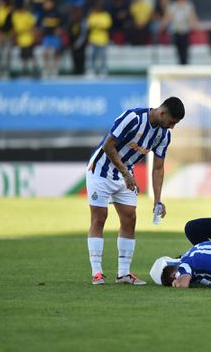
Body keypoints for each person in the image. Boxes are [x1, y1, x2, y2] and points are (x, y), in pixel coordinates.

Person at [86, 97, 185, 285]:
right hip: (100, 171)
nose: (172, 127)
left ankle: (123, 274)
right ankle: (97, 272)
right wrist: (126, 173)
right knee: (99, 218)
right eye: (172, 122)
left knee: (130, 219)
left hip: (125, 174)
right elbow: (108, 145)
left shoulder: (164, 135)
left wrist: (158, 200)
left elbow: (158, 168)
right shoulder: (132, 118)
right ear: (162, 113)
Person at [160, 0, 199, 65]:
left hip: (185, 31)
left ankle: (185, 64)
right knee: (178, 50)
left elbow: (192, 17)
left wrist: (196, 25)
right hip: (176, 32)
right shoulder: (172, 6)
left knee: (185, 50)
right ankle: (179, 64)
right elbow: (167, 18)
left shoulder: (188, 5)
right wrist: (162, 26)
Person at [87, 0, 111, 76]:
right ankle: (91, 70)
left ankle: (103, 70)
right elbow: (90, 25)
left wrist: (97, 26)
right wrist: (99, 25)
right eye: (96, 6)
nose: (98, 8)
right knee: (92, 57)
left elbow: (106, 25)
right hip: (93, 39)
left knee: (103, 57)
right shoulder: (92, 15)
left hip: (103, 39)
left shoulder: (105, 15)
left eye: (99, 6)